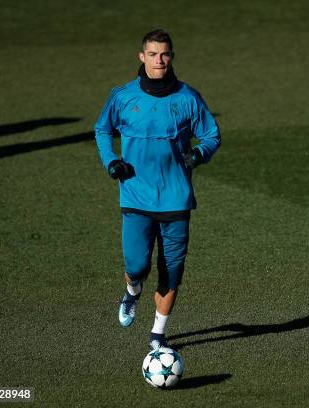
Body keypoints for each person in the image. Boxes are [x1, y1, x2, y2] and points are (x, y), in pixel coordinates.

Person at [94, 29, 220, 350]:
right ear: (142, 57)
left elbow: (211, 135)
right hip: (135, 195)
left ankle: (157, 337)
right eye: (153, 54)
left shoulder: (188, 98)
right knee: (136, 266)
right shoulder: (123, 97)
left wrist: (199, 154)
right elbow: (102, 128)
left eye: (164, 54)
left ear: (172, 57)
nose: (159, 60)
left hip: (176, 198)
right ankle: (132, 292)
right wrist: (112, 161)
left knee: (172, 272)